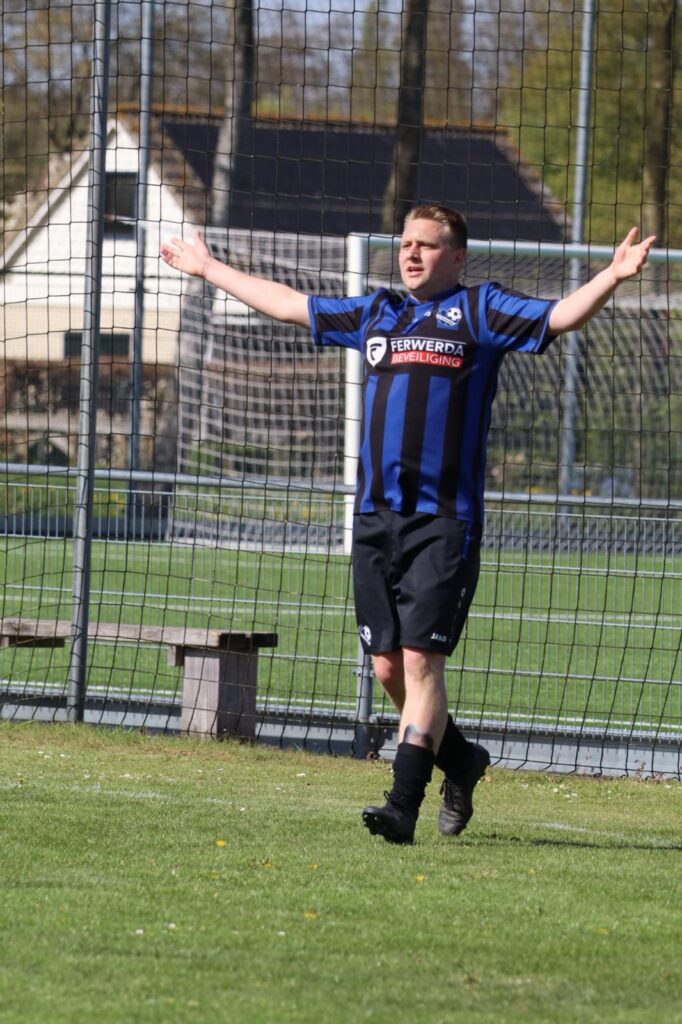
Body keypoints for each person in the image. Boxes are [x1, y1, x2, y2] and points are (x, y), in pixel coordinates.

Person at [161, 205, 654, 845]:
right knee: (389, 670)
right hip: (374, 518)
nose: (412, 254)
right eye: (406, 244)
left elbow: (559, 316)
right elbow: (287, 304)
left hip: (443, 522)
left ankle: (403, 805)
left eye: (427, 245)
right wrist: (208, 269)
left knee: (422, 662)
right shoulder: (379, 312)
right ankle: (462, 760)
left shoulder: (480, 310)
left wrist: (611, 276)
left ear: (458, 257)